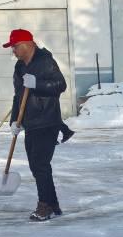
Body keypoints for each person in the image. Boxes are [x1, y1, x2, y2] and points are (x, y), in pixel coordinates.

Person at [4, 28, 72, 221]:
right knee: (37, 167)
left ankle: (45, 206)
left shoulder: (45, 61)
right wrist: (15, 121)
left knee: (40, 165)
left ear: (27, 44)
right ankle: (53, 204)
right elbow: (18, 96)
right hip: (30, 123)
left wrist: (37, 84)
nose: (13, 50)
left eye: (15, 46)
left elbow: (60, 86)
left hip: (47, 121)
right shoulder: (19, 67)